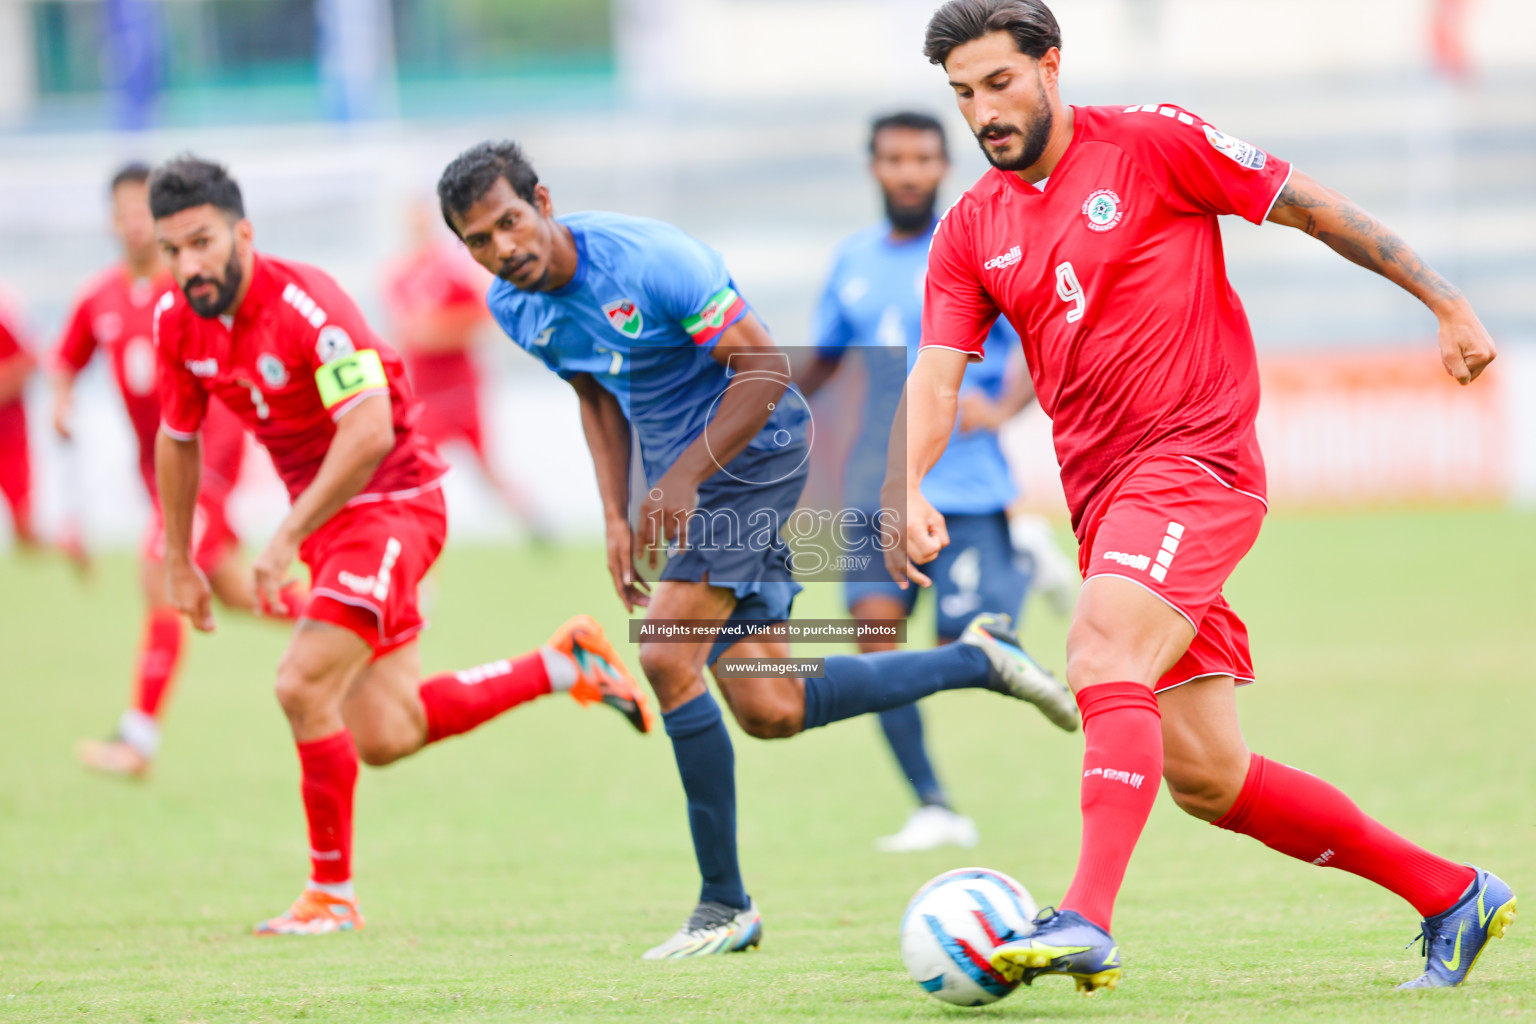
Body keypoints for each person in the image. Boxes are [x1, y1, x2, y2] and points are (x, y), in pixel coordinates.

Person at [897, 0, 1512, 993]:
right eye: (963, 94)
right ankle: (1452, 893)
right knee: (1207, 776)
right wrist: (908, 481)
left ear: (1052, 65)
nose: (983, 112)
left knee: (1099, 646)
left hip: (1197, 463)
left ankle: (1087, 918)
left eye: (999, 83)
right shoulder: (973, 227)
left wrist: (1446, 300)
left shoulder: (1153, 144)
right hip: (1109, 505)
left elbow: (1313, 207)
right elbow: (935, 375)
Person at [436, 140, 1079, 959]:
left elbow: (766, 368)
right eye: (479, 241)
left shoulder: (653, 260)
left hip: (759, 449)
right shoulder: (513, 305)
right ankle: (980, 660)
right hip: (691, 480)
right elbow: (594, 393)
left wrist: (679, 483)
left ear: (543, 202)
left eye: (509, 224)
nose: (502, 250)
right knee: (771, 707)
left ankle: (723, 905)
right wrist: (615, 512)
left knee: (668, 657)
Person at [148, 156, 656, 936]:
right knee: (387, 734)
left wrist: (284, 536)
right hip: (333, 524)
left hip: (393, 503)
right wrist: (179, 559)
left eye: (203, 242)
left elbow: (370, 427)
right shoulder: (177, 322)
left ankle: (331, 895)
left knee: (299, 685)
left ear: (242, 233)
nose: (189, 264)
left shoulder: (308, 307)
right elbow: (177, 438)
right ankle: (564, 664)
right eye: (171, 249)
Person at [800, 111, 1076, 853]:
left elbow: (1038, 342)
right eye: (895, 158)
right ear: (874, 167)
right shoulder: (851, 261)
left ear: (943, 165)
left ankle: (1023, 555)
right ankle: (934, 805)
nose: (910, 171)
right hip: (874, 488)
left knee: (968, 641)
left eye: (923, 157)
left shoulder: (980, 245)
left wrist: (1008, 405)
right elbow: (822, 362)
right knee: (877, 650)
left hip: (964, 484)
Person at [56, 162, 295, 778]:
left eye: (145, 210)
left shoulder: (190, 285)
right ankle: (362, 620)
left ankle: (137, 740)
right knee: (232, 590)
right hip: (159, 471)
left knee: (160, 572)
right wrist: (60, 403)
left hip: (207, 457)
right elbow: (66, 361)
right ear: (113, 221)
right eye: (126, 212)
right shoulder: (98, 296)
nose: (135, 222)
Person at [380, 200, 545, 533]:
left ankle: (532, 517)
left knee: (486, 470)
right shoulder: (398, 275)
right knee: (415, 469)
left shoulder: (452, 270)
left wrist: (437, 332)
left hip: (461, 388)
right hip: (424, 392)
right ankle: (418, 539)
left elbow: (482, 317)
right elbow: (401, 333)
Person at [0, 296, 35, 548]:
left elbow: (29, 361)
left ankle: (69, 549)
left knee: (25, 531)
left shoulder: (5, 318)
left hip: (8, 437)